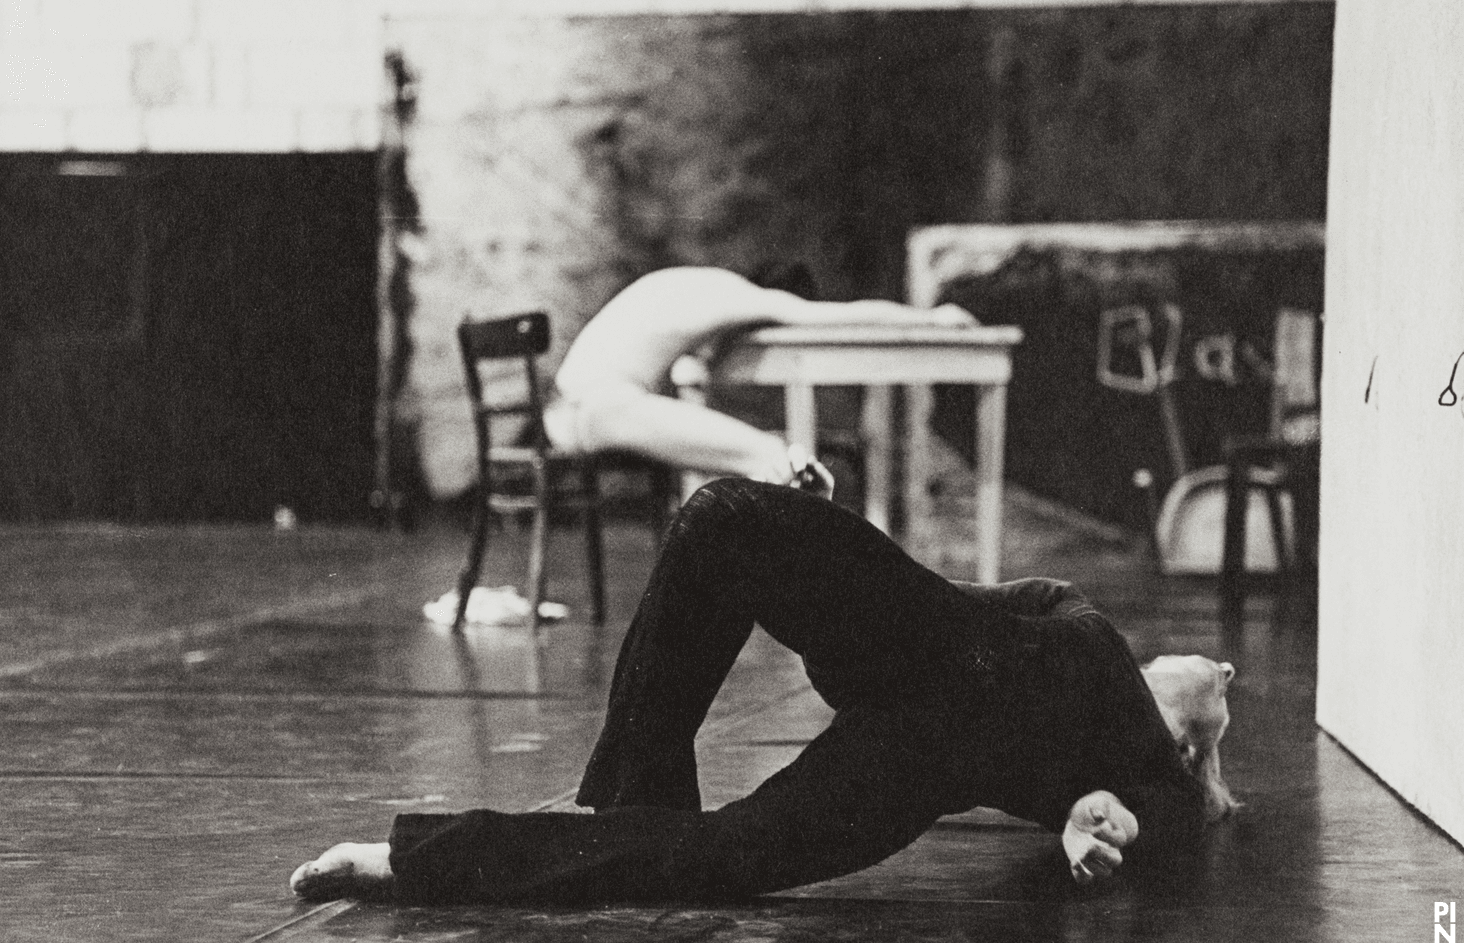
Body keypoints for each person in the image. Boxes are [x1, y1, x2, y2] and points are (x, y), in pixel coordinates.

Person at [291, 479, 1238, 905]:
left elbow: (1158, 813)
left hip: (920, 755)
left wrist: (1102, 817)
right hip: (918, 638)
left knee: (727, 855)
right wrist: (824, 572)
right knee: (721, 520)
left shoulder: (1150, 754)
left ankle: (422, 859)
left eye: (1203, 693)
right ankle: (629, 814)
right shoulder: (1077, 619)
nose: (1194, 666)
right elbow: (941, 599)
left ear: (1194, 740)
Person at [540, 265, 978, 487]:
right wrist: (929, 319)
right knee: (781, 459)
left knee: (768, 460)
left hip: (577, 411)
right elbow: (839, 318)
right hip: (595, 411)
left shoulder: (687, 284)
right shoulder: (735, 296)